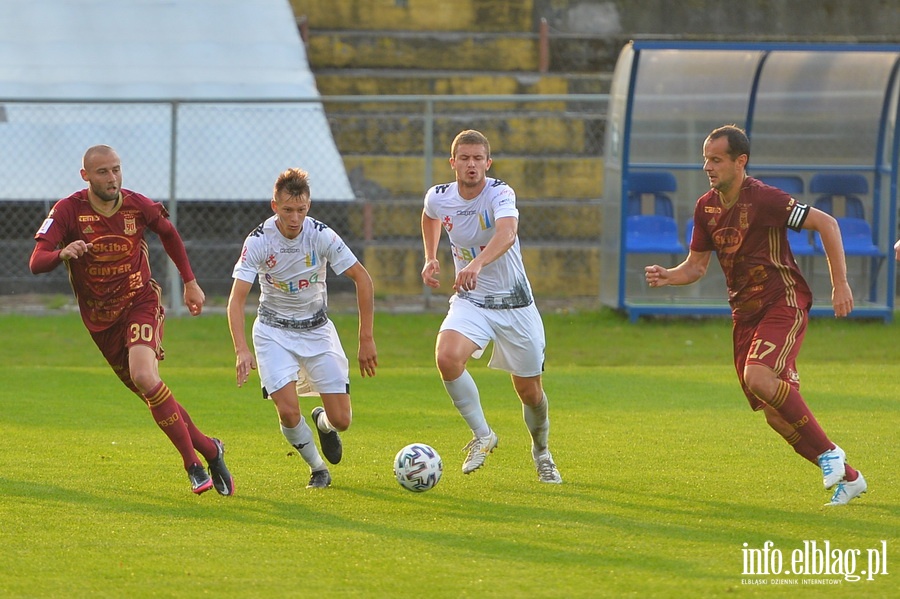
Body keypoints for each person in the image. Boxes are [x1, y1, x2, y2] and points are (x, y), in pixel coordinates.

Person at [644, 124, 866, 506]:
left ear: (739, 162)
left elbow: (826, 223)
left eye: (716, 160)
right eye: (705, 160)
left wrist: (841, 284)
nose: (707, 167)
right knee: (776, 416)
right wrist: (669, 276)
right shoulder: (706, 207)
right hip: (745, 316)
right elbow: (695, 267)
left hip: (783, 302)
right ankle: (850, 478)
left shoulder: (765, 199)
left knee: (759, 377)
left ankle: (830, 453)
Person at [29, 145, 234, 496]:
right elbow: (36, 261)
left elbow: (169, 234)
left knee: (144, 375)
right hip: (101, 321)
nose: (113, 179)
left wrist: (190, 281)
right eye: (103, 172)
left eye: (116, 170)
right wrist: (62, 252)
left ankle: (193, 465)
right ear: (85, 177)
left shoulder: (138, 205)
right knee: (151, 389)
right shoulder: (67, 210)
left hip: (140, 301)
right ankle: (211, 448)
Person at [421, 129, 562, 484]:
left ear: (488, 162)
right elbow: (429, 215)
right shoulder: (439, 196)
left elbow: (507, 233)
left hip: (515, 304)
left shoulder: (500, 192)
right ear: (453, 163)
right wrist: (430, 256)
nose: (472, 165)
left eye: (478, 158)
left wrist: (475, 264)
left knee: (530, 392)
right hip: (472, 301)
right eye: (464, 158)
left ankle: (541, 451)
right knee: (446, 357)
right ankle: (483, 435)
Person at [227, 167, 377, 489]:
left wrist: (366, 339)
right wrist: (242, 349)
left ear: (309, 206)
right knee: (288, 411)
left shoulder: (321, 235)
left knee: (342, 420)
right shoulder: (258, 241)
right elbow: (236, 300)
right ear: (274, 207)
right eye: (287, 210)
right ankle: (318, 469)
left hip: (317, 329)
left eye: (301, 210)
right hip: (272, 331)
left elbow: (362, 279)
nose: (295, 218)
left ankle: (323, 423)